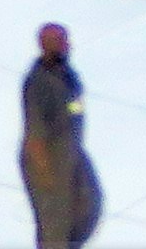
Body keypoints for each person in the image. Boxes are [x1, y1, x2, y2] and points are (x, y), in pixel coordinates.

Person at [13, 25, 93, 249]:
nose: (68, 45)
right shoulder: (38, 84)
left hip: (71, 153)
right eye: (61, 41)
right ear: (46, 46)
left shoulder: (66, 73)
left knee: (89, 204)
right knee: (54, 226)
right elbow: (35, 137)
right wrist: (46, 175)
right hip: (49, 162)